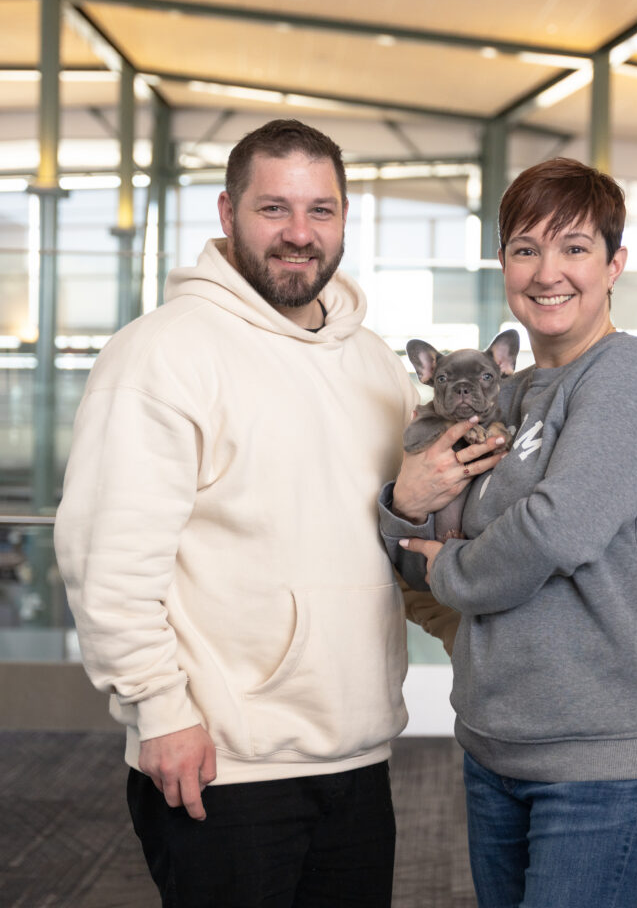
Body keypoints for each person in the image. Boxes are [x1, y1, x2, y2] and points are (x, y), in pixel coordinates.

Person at [54, 118, 479, 908]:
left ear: (346, 220)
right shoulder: (162, 353)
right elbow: (108, 559)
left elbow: (391, 537)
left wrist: (479, 634)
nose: (298, 234)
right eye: (273, 208)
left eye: (320, 210)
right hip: (222, 759)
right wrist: (159, 711)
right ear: (226, 213)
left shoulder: (376, 365)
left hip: (356, 754)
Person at [380, 157, 637, 908]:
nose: (546, 271)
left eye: (574, 248)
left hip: (605, 747)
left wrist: (446, 570)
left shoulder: (630, 373)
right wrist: (403, 510)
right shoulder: (511, 394)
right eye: (525, 248)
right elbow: (416, 526)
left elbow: (555, 531)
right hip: (499, 737)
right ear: (504, 265)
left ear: (613, 264)